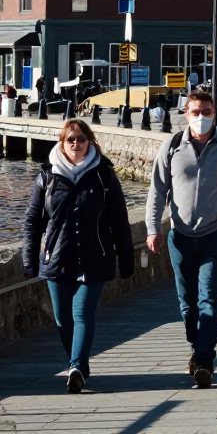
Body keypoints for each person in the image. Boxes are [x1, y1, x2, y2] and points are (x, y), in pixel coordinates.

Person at [145, 90, 217, 388]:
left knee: (209, 299)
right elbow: (157, 191)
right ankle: (197, 347)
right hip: (180, 236)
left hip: (216, 236)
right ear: (186, 113)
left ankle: (205, 360)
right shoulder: (171, 147)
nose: (201, 117)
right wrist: (153, 228)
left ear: (215, 113)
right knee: (187, 304)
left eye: (207, 111)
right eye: (196, 112)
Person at [21, 120, 134, 393]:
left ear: (89, 142)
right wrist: (29, 258)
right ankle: (79, 365)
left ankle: (75, 366)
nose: (75, 143)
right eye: (70, 138)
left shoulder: (103, 176)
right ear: (62, 142)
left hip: (96, 256)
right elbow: (33, 221)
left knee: (83, 313)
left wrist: (127, 258)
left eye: (81, 138)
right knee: (62, 319)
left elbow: (119, 219)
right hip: (58, 258)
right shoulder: (47, 177)